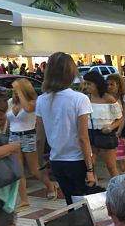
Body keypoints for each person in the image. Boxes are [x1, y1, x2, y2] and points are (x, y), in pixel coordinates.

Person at [36, 52, 95, 205]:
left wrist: (40, 164)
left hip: (56, 160)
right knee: (84, 204)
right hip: (77, 160)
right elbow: (83, 137)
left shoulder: (41, 100)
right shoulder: (79, 99)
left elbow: (39, 137)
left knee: (70, 203)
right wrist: (90, 170)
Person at [2, 82, 56, 205]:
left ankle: (50, 185)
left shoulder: (33, 102)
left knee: (34, 170)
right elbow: (8, 120)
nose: (15, 91)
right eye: (14, 89)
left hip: (28, 135)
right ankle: (24, 199)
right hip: (13, 136)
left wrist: (19, 91)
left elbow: (27, 108)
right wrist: (3, 134)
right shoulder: (11, 102)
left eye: (18, 89)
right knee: (18, 170)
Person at [83, 71, 122, 178]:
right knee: (90, 165)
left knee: (111, 166)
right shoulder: (86, 98)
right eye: (85, 83)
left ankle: (118, 190)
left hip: (105, 133)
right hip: (90, 132)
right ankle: (94, 188)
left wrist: (110, 128)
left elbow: (120, 118)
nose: (87, 86)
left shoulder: (108, 98)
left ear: (96, 84)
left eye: (89, 84)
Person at [106, 74, 125, 174]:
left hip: (121, 127)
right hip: (110, 127)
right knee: (115, 155)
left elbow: (124, 115)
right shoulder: (105, 98)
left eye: (112, 84)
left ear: (118, 85)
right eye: (107, 84)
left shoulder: (123, 97)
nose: (109, 87)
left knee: (120, 152)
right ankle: (122, 172)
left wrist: (119, 130)